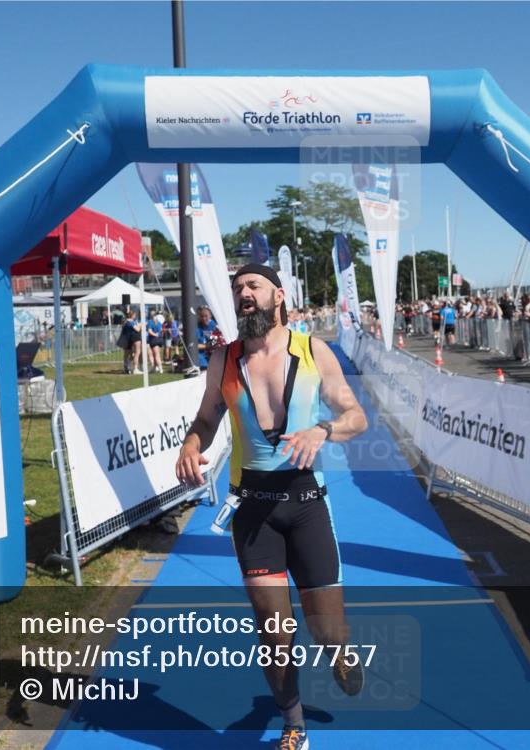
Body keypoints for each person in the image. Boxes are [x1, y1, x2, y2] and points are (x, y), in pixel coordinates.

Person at [176, 264, 368, 750]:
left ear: (277, 296)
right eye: (238, 287)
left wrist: (322, 430)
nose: (243, 293)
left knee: (326, 630)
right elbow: (206, 417)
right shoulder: (224, 359)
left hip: (306, 505)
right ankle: (293, 724)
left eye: (253, 286)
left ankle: (340, 652)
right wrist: (189, 444)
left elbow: (356, 416)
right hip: (253, 509)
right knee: (275, 633)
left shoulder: (312, 351)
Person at [120, 309, 143, 375]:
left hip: (128, 339)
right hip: (130, 339)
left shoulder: (128, 321)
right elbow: (137, 329)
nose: (135, 316)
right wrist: (141, 325)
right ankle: (131, 368)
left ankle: (128, 367)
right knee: (134, 353)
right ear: (132, 315)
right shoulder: (129, 322)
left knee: (130, 354)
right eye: (134, 315)